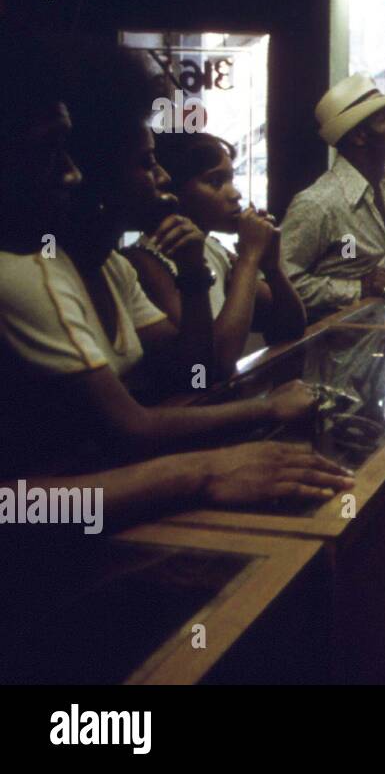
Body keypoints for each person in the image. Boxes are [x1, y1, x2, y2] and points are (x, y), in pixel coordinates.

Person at [0, 33, 351, 526]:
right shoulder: (26, 273)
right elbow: (123, 436)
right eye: (46, 153)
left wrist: (193, 273)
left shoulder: (109, 266)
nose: (70, 174)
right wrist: (211, 462)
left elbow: (195, 371)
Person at [127, 132, 306, 379]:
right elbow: (213, 365)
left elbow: (289, 327)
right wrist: (249, 258)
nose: (235, 195)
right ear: (175, 189)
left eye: (231, 179)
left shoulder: (212, 248)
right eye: (215, 182)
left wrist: (272, 267)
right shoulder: (146, 261)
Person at [280, 74, 385, 319]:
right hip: (329, 346)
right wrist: (358, 288)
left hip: (370, 339)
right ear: (359, 137)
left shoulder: (382, 186)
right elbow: (278, 282)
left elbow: (351, 257)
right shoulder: (318, 204)